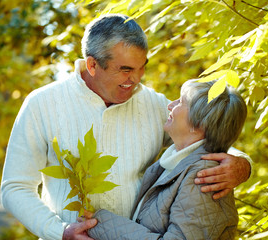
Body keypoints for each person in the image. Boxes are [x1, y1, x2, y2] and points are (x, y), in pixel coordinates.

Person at [0, 14, 251, 240]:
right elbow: (15, 187)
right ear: (92, 65)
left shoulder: (153, 104)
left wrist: (242, 164)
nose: (136, 79)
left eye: (142, 67)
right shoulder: (42, 104)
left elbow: (206, 137)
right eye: (125, 70)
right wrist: (59, 232)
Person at [83, 79, 247, 239]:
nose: (170, 105)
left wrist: (100, 223)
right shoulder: (175, 164)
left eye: (181, 102)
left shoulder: (204, 176)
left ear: (200, 124)